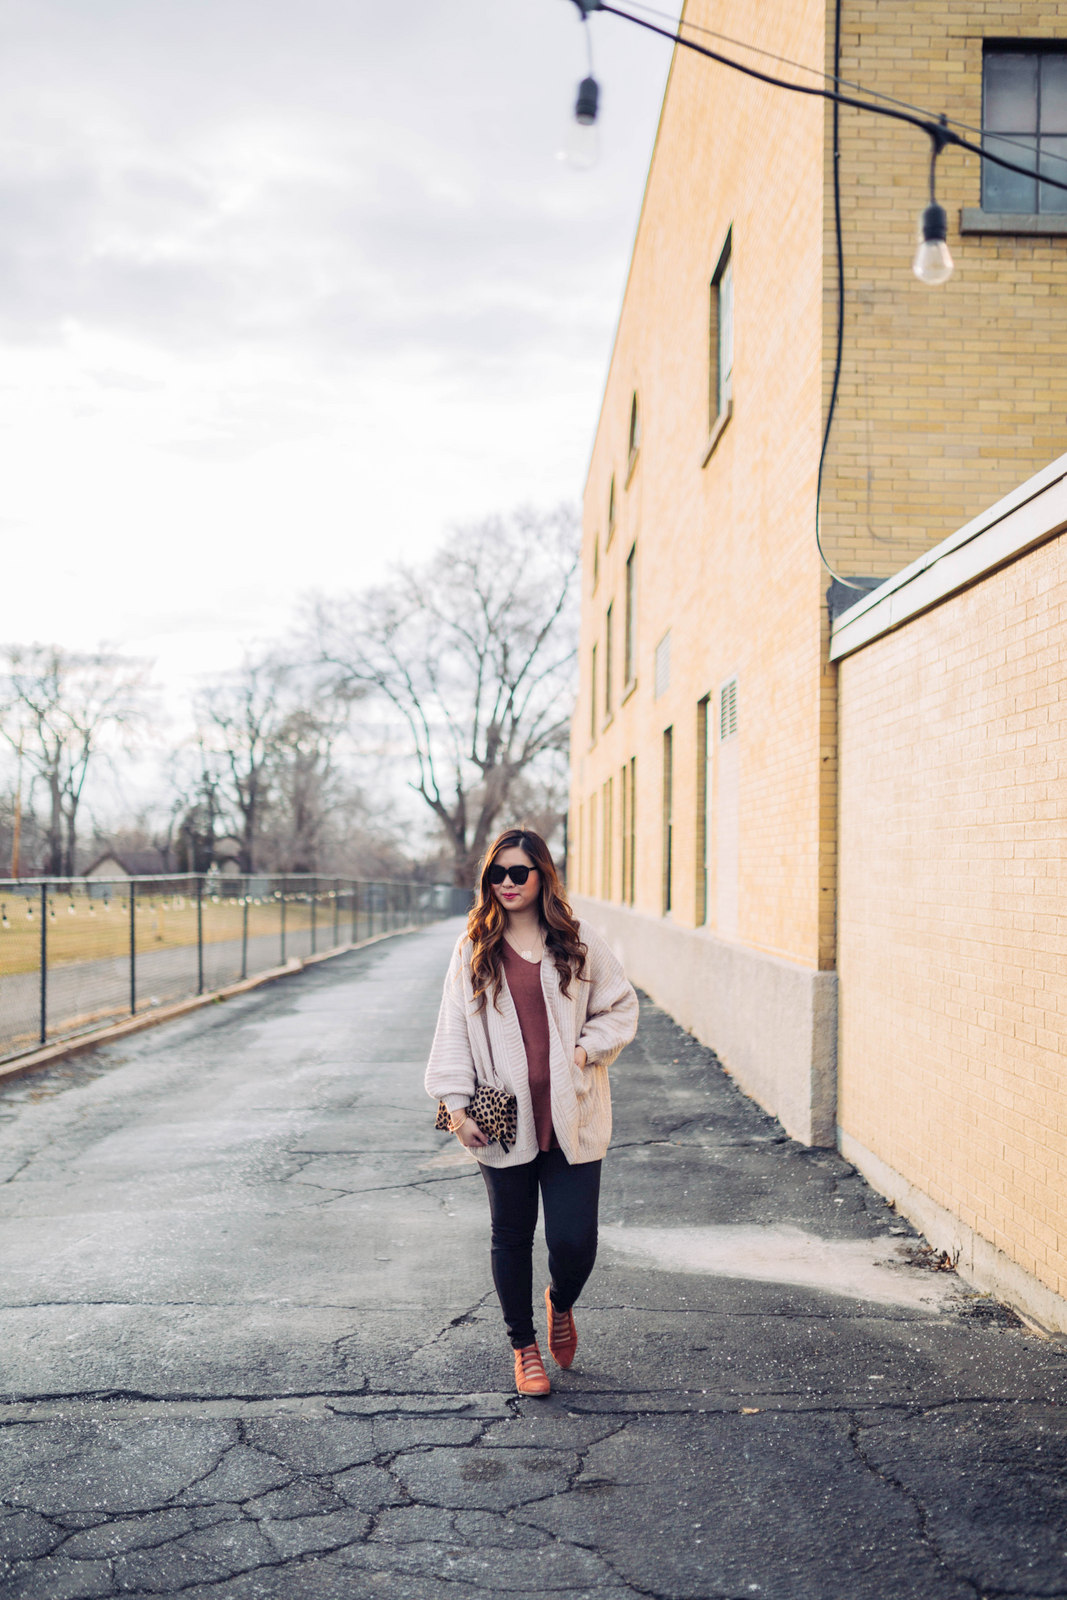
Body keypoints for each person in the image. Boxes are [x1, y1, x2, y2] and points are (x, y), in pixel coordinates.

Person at [425, 826, 639, 1396]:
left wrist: (582, 1049)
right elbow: (452, 1032)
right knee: (511, 1237)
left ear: (542, 874)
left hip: (574, 1115)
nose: (507, 883)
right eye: (497, 874)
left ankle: (560, 1302)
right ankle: (524, 1349)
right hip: (502, 1121)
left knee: (575, 1242)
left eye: (519, 872)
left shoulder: (576, 940)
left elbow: (620, 1007)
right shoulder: (474, 948)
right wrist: (455, 1108)